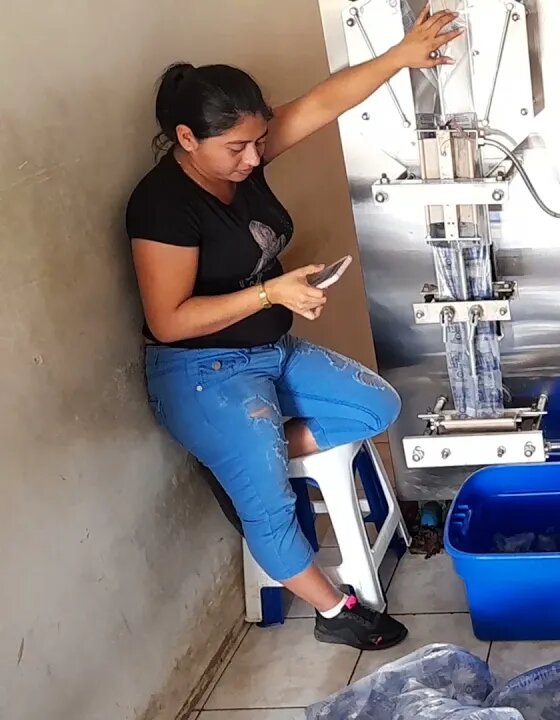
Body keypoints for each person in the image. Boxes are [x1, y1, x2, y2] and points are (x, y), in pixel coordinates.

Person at [126, 7, 463, 650]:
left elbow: (319, 104)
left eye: (259, 141)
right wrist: (268, 292)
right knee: (273, 508)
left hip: (270, 350)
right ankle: (335, 610)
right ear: (186, 138)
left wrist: (399, 55)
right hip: (202, 372)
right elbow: (168, 323)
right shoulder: (163, 205)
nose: (255, 158)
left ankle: (244, 453)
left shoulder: (240, 156)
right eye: (237, 148)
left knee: (376, 403)